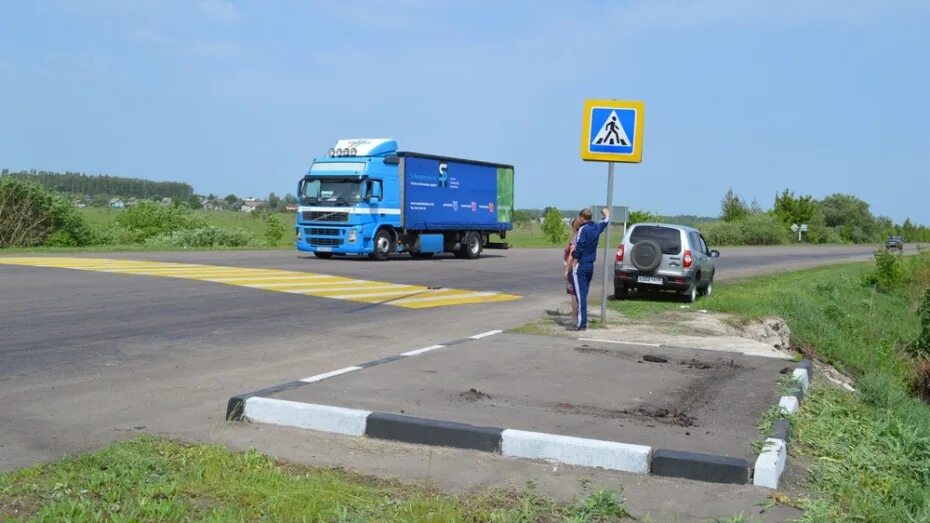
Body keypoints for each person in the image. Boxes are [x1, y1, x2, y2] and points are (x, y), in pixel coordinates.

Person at [570, 207, 610, 331]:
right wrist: (606, 213)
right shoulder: (596, 228)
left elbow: (580, 246)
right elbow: (606, 221)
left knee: (580, 296)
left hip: (581, 265)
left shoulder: (583, 229)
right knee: (583, 294)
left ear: (582, 217)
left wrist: (574, 261)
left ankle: (581, 323)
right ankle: (582, 321)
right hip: (590, 266)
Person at [563, 218, 583, 325]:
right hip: (575, 267)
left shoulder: (575, 238)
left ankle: (574, 317)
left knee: (573, 294)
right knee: (574, 293)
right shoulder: (580, 237)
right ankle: (575, 315)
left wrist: (567, 270)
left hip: (572, 268)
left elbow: (571, 254)